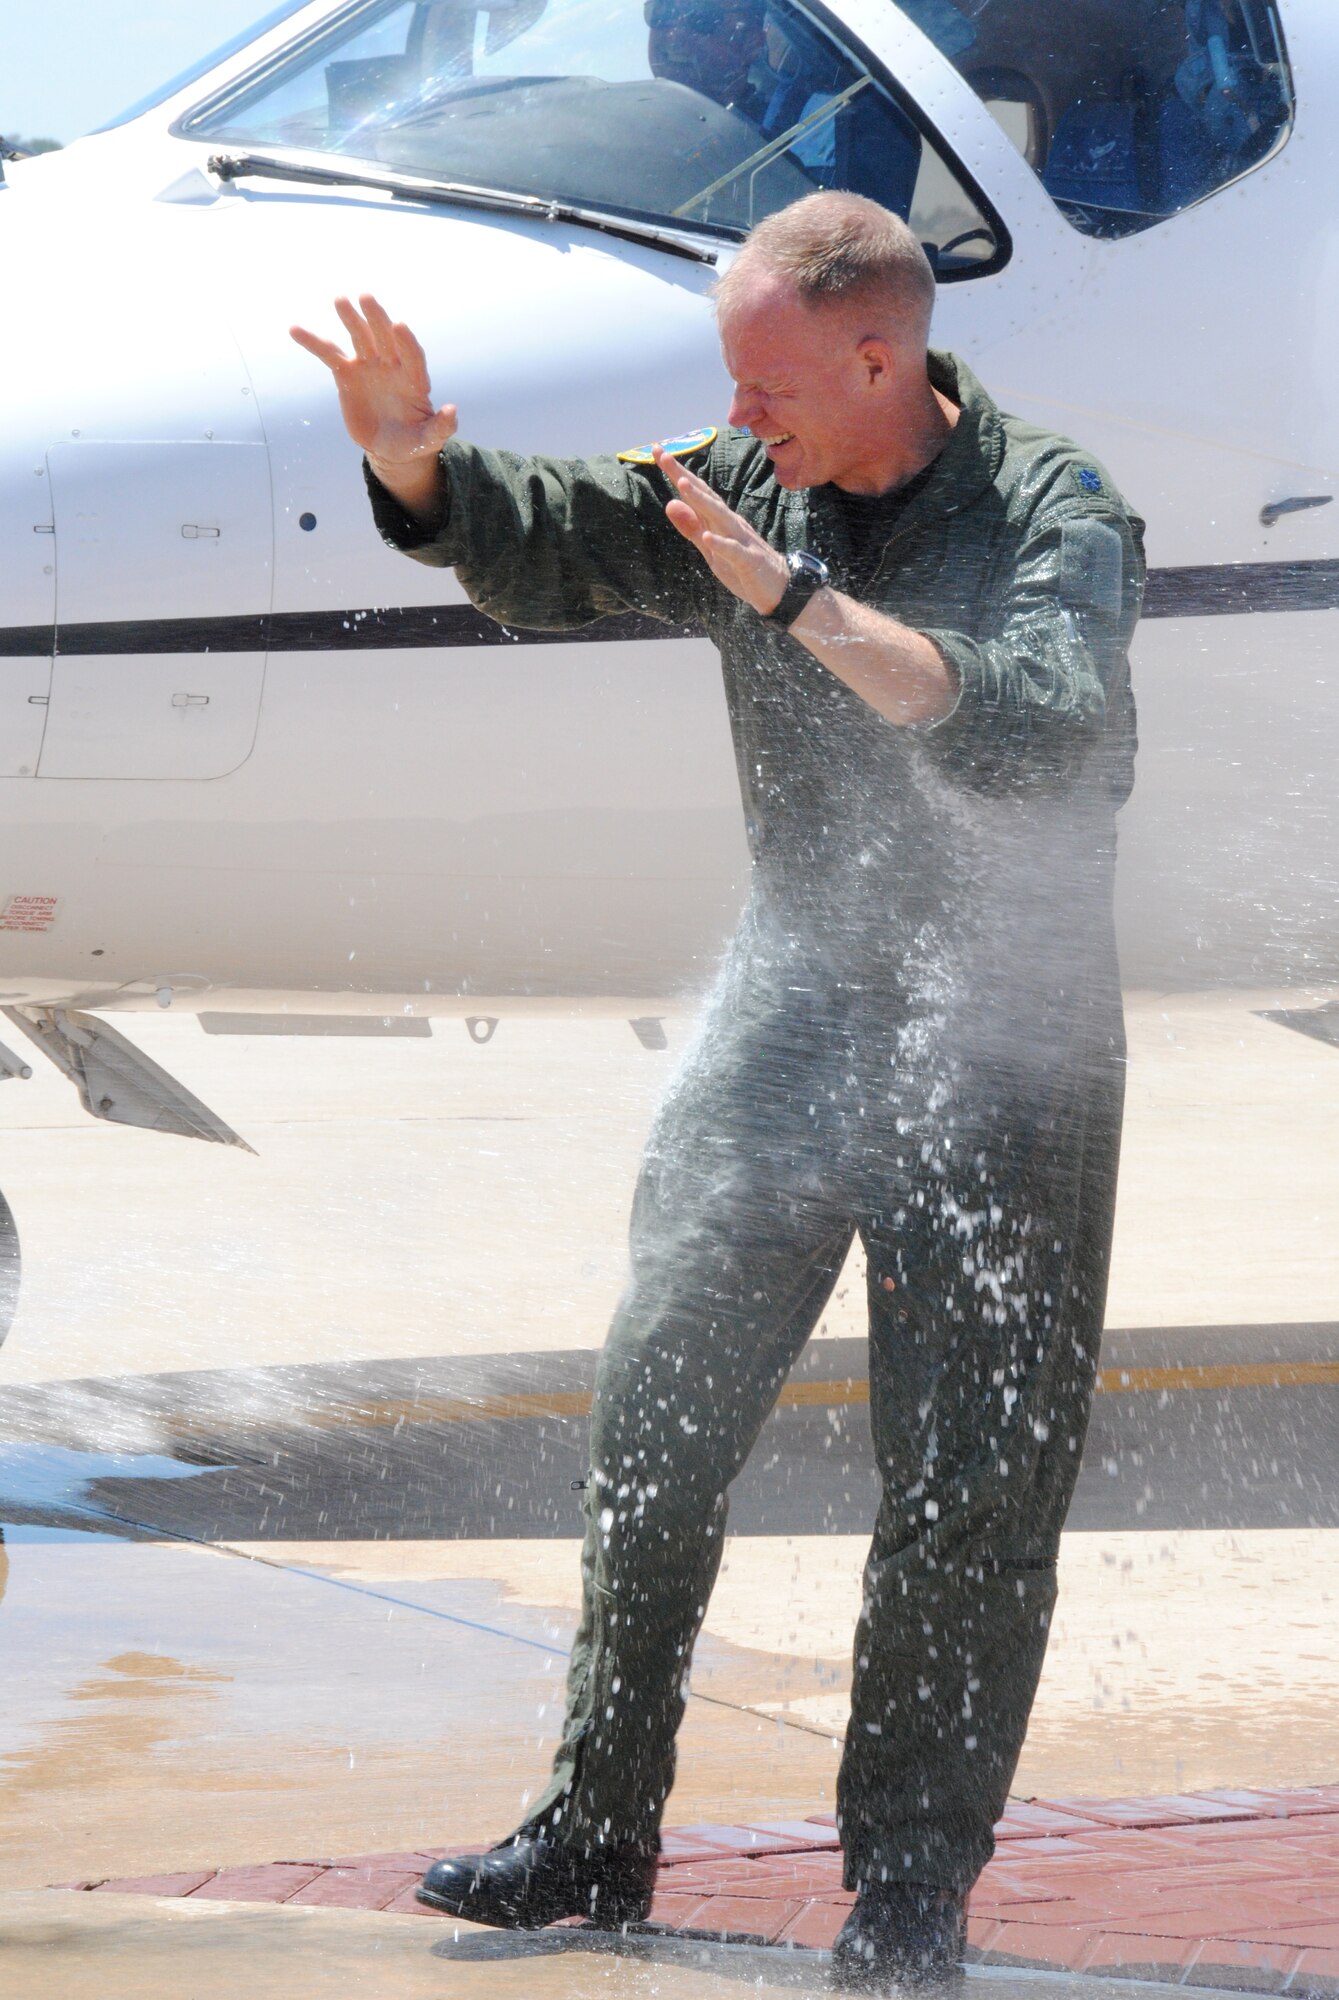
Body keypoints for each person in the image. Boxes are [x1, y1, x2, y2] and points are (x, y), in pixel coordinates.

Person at [291, 190, 1142, 1992]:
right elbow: (577, 522)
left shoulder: (1055, 509)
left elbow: (1042, 728)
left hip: (1004, 1046)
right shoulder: (751, 473)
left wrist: (801, 601)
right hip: (800, 1003)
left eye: (767, 389)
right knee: (657, 1417)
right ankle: (594, 1826)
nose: (739, 425)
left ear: (877, 355)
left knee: (969, 1492)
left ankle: (909, 1891)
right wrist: (421, 474)